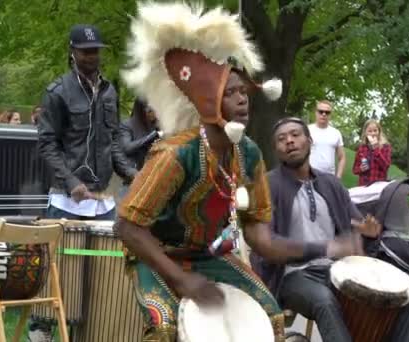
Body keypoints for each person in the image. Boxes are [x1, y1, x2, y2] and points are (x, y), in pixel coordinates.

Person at [115, 3, 363, 341]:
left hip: (208, 255)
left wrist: (326, 248)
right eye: (230, 93)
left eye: (243, 92)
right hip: (156, 256)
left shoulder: (248, 154)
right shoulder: (175, 154)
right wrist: (181, 278)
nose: (242, 100)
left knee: (271, 317)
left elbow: (261, 239)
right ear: (207, 101)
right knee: (166, 327)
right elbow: (127, 228)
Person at [252, 117, 409, 342]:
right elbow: (269, 244)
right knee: (324, 301)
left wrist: (366, 231)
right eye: (281, 139)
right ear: (276, 149)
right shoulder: (268, 185)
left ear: (310, 142)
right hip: (291, 274)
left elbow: (356, 224)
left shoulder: (331, 184)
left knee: (402, 295)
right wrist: (328, 247)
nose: (289, 141)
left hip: (336, 270)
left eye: (295, 135)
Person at [30, 23, 137, 341]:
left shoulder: (110, 91)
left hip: (104, 203)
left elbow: (114, 142)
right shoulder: (57, 92)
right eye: (86, 51)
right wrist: (71, 181)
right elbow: (47, 145)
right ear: (72, 53)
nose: (92, 57)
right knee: (56, 287)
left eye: (96, 51)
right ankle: (42, 334)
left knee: (102, 288)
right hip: (67, 201)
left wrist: (134, 175)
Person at [117, 98, 162, 171]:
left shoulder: (156, 124)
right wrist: (153, 135)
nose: (155, 114)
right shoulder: (127, 125)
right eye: (151, 110)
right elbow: (127, 148)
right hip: (135, 173)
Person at [308, 100, 346, 178]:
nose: (324, 114)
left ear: (330, 115)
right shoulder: (307, 130)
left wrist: (338, 177)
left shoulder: (336, 133)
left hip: (329, 178)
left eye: (327, 112)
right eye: (321, 111)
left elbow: (342, 157)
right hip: (308, 175)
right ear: (316, 112)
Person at [352, 119, 392, 186]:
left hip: (379, 186)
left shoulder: (386, 147)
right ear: (365, 133)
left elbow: (386, 166)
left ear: (379, 131)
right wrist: (360, 168)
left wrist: (376, 148)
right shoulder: (362, 148)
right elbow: (354, 170)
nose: (373, 133)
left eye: (375, 130)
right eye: (370, 131)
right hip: (364, 186)